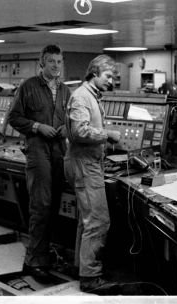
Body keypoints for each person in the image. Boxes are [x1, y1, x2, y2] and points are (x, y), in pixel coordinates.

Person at [8, 45, 71, 282]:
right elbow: (13, 117)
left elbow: (72, 119)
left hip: (59, 150)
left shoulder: (65, 91)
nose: (56, 65)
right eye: (51, 61)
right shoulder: (29, 86)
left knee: (53, 205)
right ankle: (34, 260)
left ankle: (45, 254)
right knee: (41, 205)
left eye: (59, 61)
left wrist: (66, 128)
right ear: (41, 63)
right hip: (37, 149)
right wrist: (37, 126)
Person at [64, 54, 121, 294]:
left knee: (86, 220)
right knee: (98, 221)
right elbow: (79, 131)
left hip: (88, 162)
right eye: (107, 76)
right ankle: (90, 277)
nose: (111, 81)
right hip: (84, 164)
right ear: (94, 73)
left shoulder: (91, 96)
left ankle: (81, 267)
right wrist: (108, 135)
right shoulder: (81, 97)